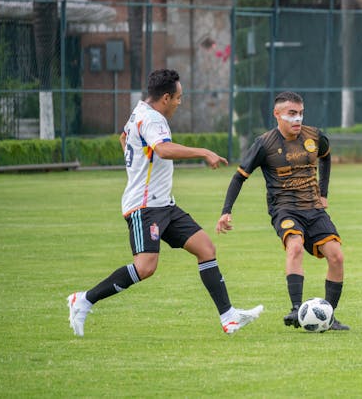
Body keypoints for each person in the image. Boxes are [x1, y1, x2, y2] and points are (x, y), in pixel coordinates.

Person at [67, 69, 263, 337]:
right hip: (145, 207)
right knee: (145, 267)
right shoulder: (153, 119)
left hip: (165, 205)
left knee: (206, 248)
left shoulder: (140, 112)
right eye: (179, 98)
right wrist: (203, 151)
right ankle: (84, 300)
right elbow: (163, 149)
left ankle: (229, 317)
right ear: (166, 97)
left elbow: (124, 138)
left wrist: (136, 164)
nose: (180, 103)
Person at [216, 91, 349, 331]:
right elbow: (239, 177)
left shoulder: (314, 136)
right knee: (295, 245)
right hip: (285, 209)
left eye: (300, 113)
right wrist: (226, 211)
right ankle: (297, 308)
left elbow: (326, 158)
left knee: (337, 256)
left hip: (314, 209)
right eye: (292, 114)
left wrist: (324, 193)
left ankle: (328, 316)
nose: (298, 119)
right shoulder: (265, 143)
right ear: (277, 115)